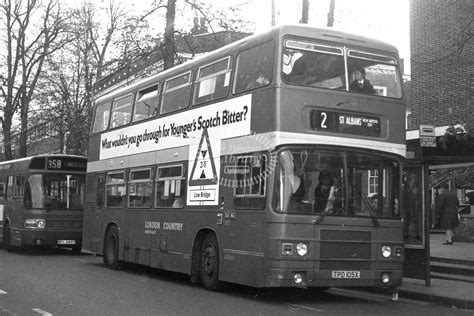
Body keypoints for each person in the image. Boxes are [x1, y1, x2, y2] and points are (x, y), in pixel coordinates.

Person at [403, 173, 422, 241]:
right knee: (407, 220)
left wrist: (418, 202)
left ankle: (417, 234)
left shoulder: (417, 185)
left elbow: (419, 195)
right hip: (408, 205)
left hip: (414, 205)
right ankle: (406, 233)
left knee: (416, 220)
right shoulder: (406, 186)